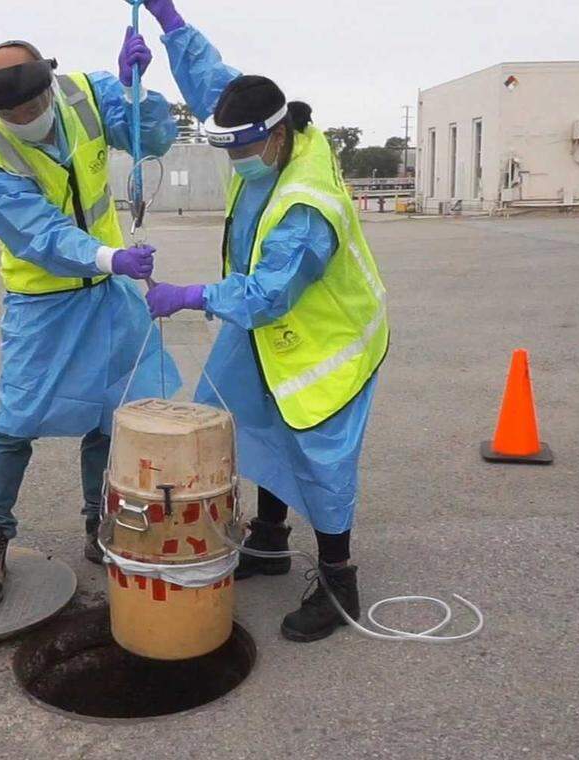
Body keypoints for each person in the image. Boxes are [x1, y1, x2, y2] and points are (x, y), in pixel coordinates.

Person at [140, 0, 389, 642]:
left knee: (316, 452)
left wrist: (190, 295)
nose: (236, 161)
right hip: (267, 332)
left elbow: (266, 295)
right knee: (243, 416)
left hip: (326, 339)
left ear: (275, 138)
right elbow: (211, 80)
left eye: (244, 149)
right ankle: (270, 538)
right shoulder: (265, 121)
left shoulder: (308, 204)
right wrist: (169, 20)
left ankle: (338, 584)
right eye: (228, 148)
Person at [0, 33, 178, 607]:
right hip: (43, 303)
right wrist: (111, 256)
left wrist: (136, 91)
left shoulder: (84, 95)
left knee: (112, 413)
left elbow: (155, 138)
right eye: (8, 112)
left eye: (30, 105)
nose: (23, 118)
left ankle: (97, 525)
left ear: (45, 84)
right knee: (15, 421)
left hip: (107, 296)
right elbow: (41, 237)